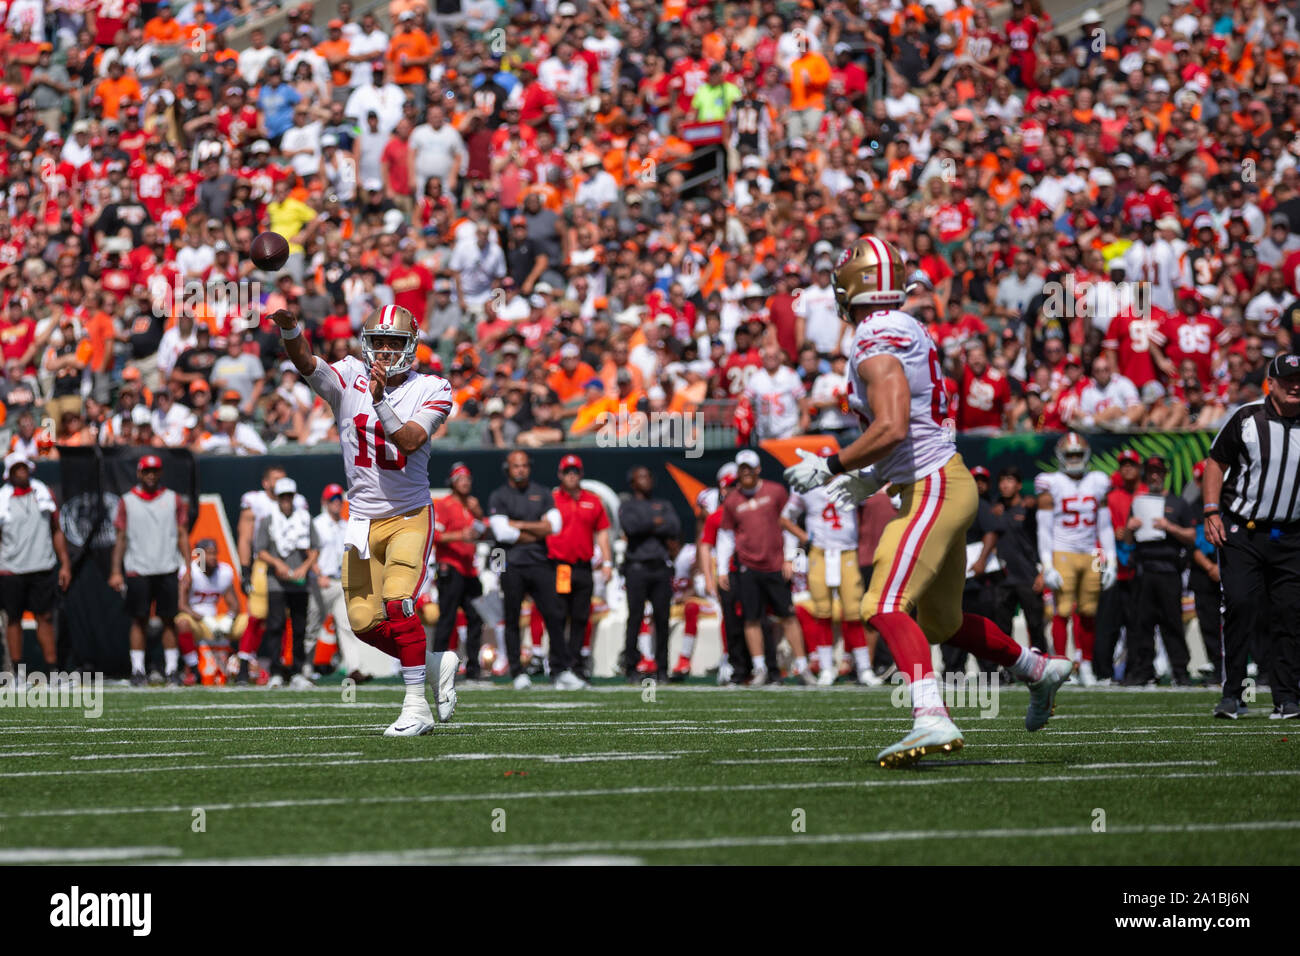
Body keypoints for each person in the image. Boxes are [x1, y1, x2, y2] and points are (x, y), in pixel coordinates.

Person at [784, 236, 1074, 768]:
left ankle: (930, 716)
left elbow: (893, 425)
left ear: (855, 286)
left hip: (932, 487)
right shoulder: (904, 326)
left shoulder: (875, 335)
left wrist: (833, 465)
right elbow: (910, 421)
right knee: (940, 622)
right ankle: (1036, 668)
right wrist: (874, 478)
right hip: (939, 480)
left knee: (882, 604)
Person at [272, 303, 457, 735]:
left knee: (397, 602)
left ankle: (416, 707)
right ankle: (432, 665)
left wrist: (380, 401)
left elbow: (410, 440)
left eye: (395, 342)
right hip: (362, 520)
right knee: (363, 623)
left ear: (411, 345)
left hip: (408, 514)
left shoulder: (433, 387)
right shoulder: (349, 375)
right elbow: (305, 362)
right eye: (380, 341)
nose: (387, 350)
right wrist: (290, 328)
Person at [1205, 353, 1300, 720]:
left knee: (1290, 613)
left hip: (1291, 533)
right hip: (1242, 529)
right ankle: (1233, 695)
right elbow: (1216, 460)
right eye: (1287, 379)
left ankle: (1286, 698)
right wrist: (1211, 510)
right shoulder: (1247, 417)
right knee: (1241, 605)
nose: (1295, 385)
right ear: (1270, 383)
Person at [782, 442, 875, 686]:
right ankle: (826, 668)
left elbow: (871, 507)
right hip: (819, 553)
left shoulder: (851, 481)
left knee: (854, 611)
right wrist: (801, 542)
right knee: (821, 610)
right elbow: (786, 517)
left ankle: (864, 668)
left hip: (847, 552)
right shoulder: (805, 488)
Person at [717, 449, 811, 686]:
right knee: (751, 618)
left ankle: (803, 666)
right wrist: (721, 569)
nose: (746, 472)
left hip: (775, 564)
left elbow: (786, 523)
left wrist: (789, 557)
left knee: (787, 615)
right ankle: (760, 668)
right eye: (742, 469)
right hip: (748, 565)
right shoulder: (732, 500)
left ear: (758, 469)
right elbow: (726, 536)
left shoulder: (775, 491)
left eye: (750, 467)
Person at [1034, 432, 1118, 686]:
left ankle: (1087, 664)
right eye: (1069, 455)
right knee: (1062, 611)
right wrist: (1047, 564)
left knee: (1089, 611)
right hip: (1063, 551)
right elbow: (1043, 528)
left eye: (1077, 454)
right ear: (1061, 456)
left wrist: (1111, 559)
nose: (1073, 459)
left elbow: (1104, 526)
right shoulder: (1052, 483)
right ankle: (1061, 664)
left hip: (1091, 553)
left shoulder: (1097, 481)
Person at [109, 455, 190, 686]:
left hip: (167, 566)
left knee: (169, 619)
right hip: (138, 568)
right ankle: (137, 670)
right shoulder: (127, 501)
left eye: (155, 471)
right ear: (139, 473)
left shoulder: (173, 499)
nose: (151, 475)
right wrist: (116, 570)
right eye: (147, 471)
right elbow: (121, 538)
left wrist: (190, 567)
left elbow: (183, 535)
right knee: (139, 620)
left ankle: (172, 669)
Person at [487, 450, 564, 690]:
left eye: (524, 465)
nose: (520, 469)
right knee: (512, 618)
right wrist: (538, 529)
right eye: (515, 466)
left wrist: (518, 525)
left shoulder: (542, 493)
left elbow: (555, 526)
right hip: (511, 564)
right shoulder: (499, 495)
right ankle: (517, 671)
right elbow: (502, 533)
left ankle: (560, 670)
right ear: (507, 468)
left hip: (541, 562)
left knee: (555, 615)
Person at [1120, 455, 1194, 687]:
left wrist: (1169, 527)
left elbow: (1191, 536)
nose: (1155, 476)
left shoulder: (1178, 503)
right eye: (1151, 472)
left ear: (1165, 475)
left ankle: (1180, 670)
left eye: (1158, 472)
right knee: (1142, 624)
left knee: (1172, 623)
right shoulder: (1138, 502)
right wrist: (1129, 528)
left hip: (1169, 569)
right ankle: (1143, 670)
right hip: (1144, 569)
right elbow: (1127, 539)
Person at [0, 453, 71, 681]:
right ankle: (18, 673)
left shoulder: (43, 492)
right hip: (11, 568)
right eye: (16, 468)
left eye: (24, 467)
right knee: (13, 618)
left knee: (45, 618)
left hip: (42, 565)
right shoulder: (2, 497)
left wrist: (65, 564)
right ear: (9, 472)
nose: (21, 471)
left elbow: (56, 529)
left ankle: (51, 670)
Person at [547, 454, 611, 689]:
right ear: (560, 475)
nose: (571, 475)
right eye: (567, 471)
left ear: (581, 474)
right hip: (561, 567)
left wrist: (607, 562)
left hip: (584, 567)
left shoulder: (593, 501)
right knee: (559, 616)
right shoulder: (552, 499)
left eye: (575, 471)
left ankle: (575, 665)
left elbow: (602, 532)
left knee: (581, 617)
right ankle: (557, 667)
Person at [254, 477, 321, 688]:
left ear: (293, 497)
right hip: (277, 581)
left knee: (300, 627)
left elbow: (315, 547)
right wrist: (277, 564)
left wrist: (304, 567)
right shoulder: (268, 519)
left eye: (289, 496)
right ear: (277, 498)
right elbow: (260, 550)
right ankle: (275, 671)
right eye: (282, 496)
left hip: (300, 582)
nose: (285, 500)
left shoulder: (304, 517)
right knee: (275, 626)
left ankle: (298, 672)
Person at [618, 465, 683, 682]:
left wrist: (649, 525)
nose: (646, 480)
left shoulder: (663, 504)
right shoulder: (628, 505)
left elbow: (674, 527)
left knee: (662, 619)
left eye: (648, 476)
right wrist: (655, 523)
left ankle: (662, 668)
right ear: (633, 482)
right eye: (641, 476)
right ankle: (631, 667)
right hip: (637, 568)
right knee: (635, 618)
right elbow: (631, 527)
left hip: (660, 568)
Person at [309, 484, 370, 681]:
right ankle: (304, 668)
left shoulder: (346, 525)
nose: (336, 503)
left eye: (338, 499)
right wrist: (317, 575)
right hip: (321, 582)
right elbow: (309, 553)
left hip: (340, 581)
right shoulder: (317, 524)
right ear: (324, 502)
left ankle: (354, 668)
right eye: (332, 500)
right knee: (312, 626)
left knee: (346, 625)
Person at [1095, 449, 1146, 684]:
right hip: (1115, 568)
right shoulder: (1111, 497)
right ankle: (1103, 672)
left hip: (1139, 568)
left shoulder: (1147, 495)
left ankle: (1134, 672)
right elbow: (1101, 530)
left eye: (1131, 464)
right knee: (1108, 624)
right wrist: (1115, 534)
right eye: (1123, 464)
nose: (1127, 468)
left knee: (1137, 625)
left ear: (1138, 468)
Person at [430, 463, 485, 679]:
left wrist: (479, 515)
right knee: (447, 618)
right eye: (461, 479)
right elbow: (434, 536)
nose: (465, 483)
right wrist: (460, 535)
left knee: (476, 617)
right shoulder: (444, 505)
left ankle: (473, 668)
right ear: (453, 483)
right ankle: (437, 668)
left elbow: (482, 533)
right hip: (451, 566)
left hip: (470, 569)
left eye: (468, 479)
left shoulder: (471, 505)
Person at [992, 466, 1046, 654]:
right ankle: (1007, 668)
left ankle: (1042, 663)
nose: (1005, 485)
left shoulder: (1029, 508)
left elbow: (1044, 537)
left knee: (1035, 624)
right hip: (1004, 579)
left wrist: (1042, 572)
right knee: (1003, 626)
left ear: (1019, 485)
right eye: (1002, 481)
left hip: (1028, 576)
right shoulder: (995, 510)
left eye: (1009, 480)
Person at [174, 537, 239, 686]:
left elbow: (234, 605)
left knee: (248, 621)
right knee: (182, 622)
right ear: (200, 555)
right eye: (209, 553)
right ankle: (193, 667)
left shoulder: (224, 571)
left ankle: (244, 667)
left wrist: (228, 618)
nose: (213, 557)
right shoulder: (189, 572)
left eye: (215, 553)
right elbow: (181, 605)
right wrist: (204, 619)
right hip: (196, 620)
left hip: (215, 620)